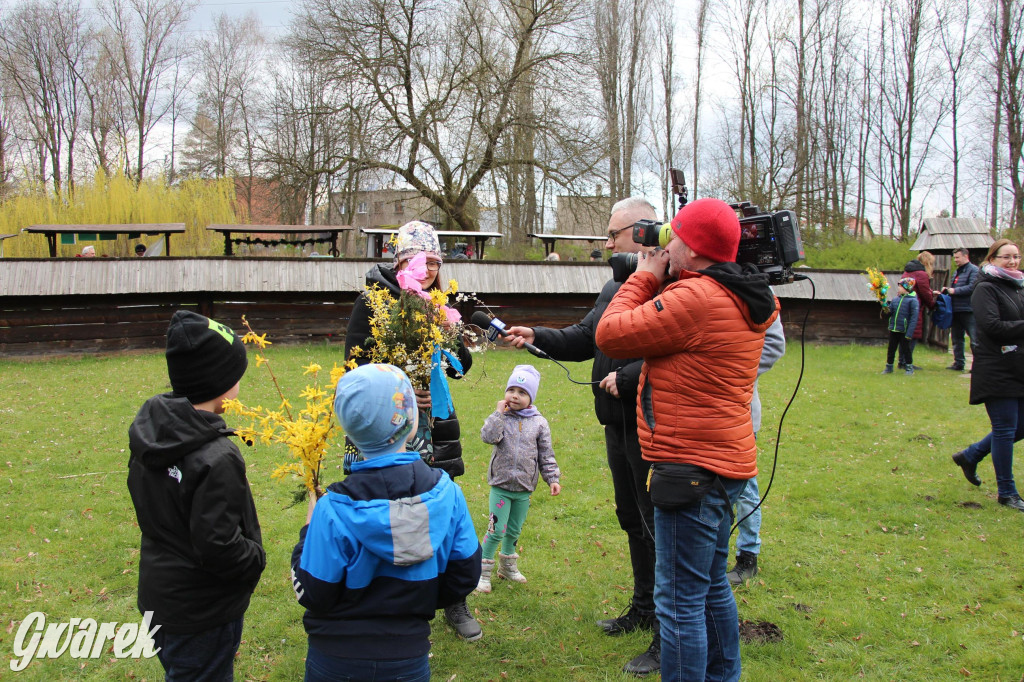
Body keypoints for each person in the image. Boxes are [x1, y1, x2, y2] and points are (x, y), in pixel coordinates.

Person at [595, 197, 780, 682]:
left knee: (678, 603)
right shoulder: (742, 293)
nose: (665, 244)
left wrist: (644, 275)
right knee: (711, 584)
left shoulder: (696, 299)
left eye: (673, 237)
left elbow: (611, 335)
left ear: (693, 248)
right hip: (726, 462)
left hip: (689, 467)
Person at [503, 196, 661, 676]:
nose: (607, 243)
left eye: (613, 234)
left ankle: (666, 631)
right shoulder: (617, 284)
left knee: (658, 527)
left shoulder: (671, 283)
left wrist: (631, 375)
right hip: (614, 421)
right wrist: (537, 336)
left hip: (652, 425)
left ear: (643, 232)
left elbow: (673, 350)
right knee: (632, 518)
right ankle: (644, 608)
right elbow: (585, 337)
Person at [291, 364, 481, 681]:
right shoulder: (448, 494)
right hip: (408, 659)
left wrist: (308, 533)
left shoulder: (332, 509)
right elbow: (464, 575)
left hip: (334, 662)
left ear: (348, 430)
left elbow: (313, 592)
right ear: (410, 419)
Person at [343, 220, 479, 641]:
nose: (430, 271)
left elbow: (462, 365)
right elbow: (355, 361)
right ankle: (383, 593)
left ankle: (453, 600)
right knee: (386, 504)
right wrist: (401, 386)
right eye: (422, 261)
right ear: (401, 261)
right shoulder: (373, 302)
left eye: (436, 263)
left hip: (436, 420)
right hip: (385, 424)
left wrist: (448, 337)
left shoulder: (440, 302)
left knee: (442, 500)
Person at [127, 310, 265, 680]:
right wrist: (254, 558)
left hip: (160, 596)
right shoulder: (217, 457)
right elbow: (218, 544)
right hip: (201, 610)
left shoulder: (152, 431)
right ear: (222, 383)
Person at [950, 239, 1024, 512]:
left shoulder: (1017, 286)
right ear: (992, 259)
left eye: (1016, 256)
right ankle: (1007, 492)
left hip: (1018, 367)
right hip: (996, 368)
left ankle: (971, 455)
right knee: (1005, 430)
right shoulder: (985, 288)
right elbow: (992, 326)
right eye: (1006, 257)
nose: (1013, 262)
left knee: (1019, 427)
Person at [476, 365, 562, 593]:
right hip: (501, 486)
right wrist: (498, 415)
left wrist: (552, 477)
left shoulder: (539, 423)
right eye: (511, 389)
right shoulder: (501, 418)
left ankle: (507, 567)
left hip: (524, 488)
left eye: (522, 392)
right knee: (496, 529)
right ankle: (482, 572)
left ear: (531, 397)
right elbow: (488, 437)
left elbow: (546, 454)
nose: (514, 395)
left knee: (513, 531)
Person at [726, 316, 785, 585]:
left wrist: (726, 371)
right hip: (700, 415)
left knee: (745, 487)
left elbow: (773, 344)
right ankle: (709, 556)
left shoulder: (757, 287)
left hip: (740, 412)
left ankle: (748, 556)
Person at [942, 247, 979, 371]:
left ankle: (977, 365)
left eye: (957, 257)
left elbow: (972, 287)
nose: (955, 260)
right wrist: (946, 291)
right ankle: (959, 363)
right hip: (956, 309)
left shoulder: (974, 270)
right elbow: (955, 288)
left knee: (974, 339)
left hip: (968, 310)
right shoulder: (957, 272)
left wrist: (954, 291)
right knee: (957, 338)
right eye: (954, 258)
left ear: (965, 256)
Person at [899, 251, 935, 369]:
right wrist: (932, 305)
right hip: (914, 306)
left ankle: (901, 361)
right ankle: (907, 362)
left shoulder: (907, 272)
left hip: (903, 305)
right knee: (913, 334)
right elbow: (925, 293)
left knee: (904, 333)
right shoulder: (921, 274)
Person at [882, 278, 920, 376]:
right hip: (894, 329)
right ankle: (889, 367)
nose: (898, 288)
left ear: (907, 288)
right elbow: (889, 313)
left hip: (904, 330)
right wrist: (884, 306)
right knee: (891, 349)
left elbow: (914, 318)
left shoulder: (913, 301)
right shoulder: (895, 300)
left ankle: (909, 368)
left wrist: (909, 333)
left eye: (900, 286)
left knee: (906, 350)